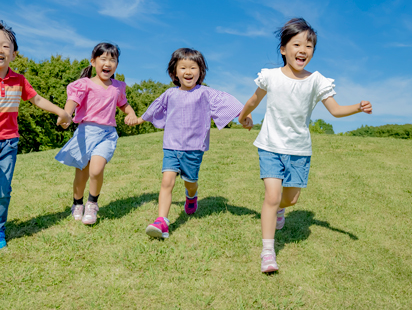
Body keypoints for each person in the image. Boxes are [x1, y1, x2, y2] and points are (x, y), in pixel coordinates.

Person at [237, 18, 372, 272]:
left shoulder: (317, 80)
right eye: (296, 44)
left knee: (290, 199)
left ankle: (279, 211)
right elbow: (254, 100)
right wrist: (244, 115)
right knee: (272, 196)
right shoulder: (270, 77)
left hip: (299, 150)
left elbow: (335, 110)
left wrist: (357, 107)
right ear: (283, 49)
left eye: (308, 46)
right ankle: (268, 252)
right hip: (270, 145)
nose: (303, 50)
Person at [0, 19, 71, 251]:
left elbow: (38, 100)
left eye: (5, 46)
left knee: (2, 191)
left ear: (13, 54)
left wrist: (61, 111)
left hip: (8, 145)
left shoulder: (19, 80)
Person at [137, 48, 247, 239]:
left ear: (200, 71)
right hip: (171, 145)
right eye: (183, 68)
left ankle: (191, 196)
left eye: (193, 67)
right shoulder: (169, 94)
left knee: (190, 182)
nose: (188, 72)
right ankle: (162, 221)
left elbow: (227, 102)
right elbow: (155, 108)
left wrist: (244, 115)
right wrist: (139, 119)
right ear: (174, 72)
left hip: (194, 148)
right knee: (166, 182)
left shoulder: (205, 93)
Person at [56, 43, 138, 225]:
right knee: (81, 174)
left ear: (116, 64)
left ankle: (92, 204)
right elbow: (72, 101)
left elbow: (123, 104)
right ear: (93, 62)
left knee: (96, 170)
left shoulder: (118, 87)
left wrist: (131, 113)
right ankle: (77, 204)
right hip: (85, 133)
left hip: (107, 134)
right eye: (103, 59)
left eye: (112, 59)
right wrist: (66, 115)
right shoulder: (84, 85)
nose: (108, 63)